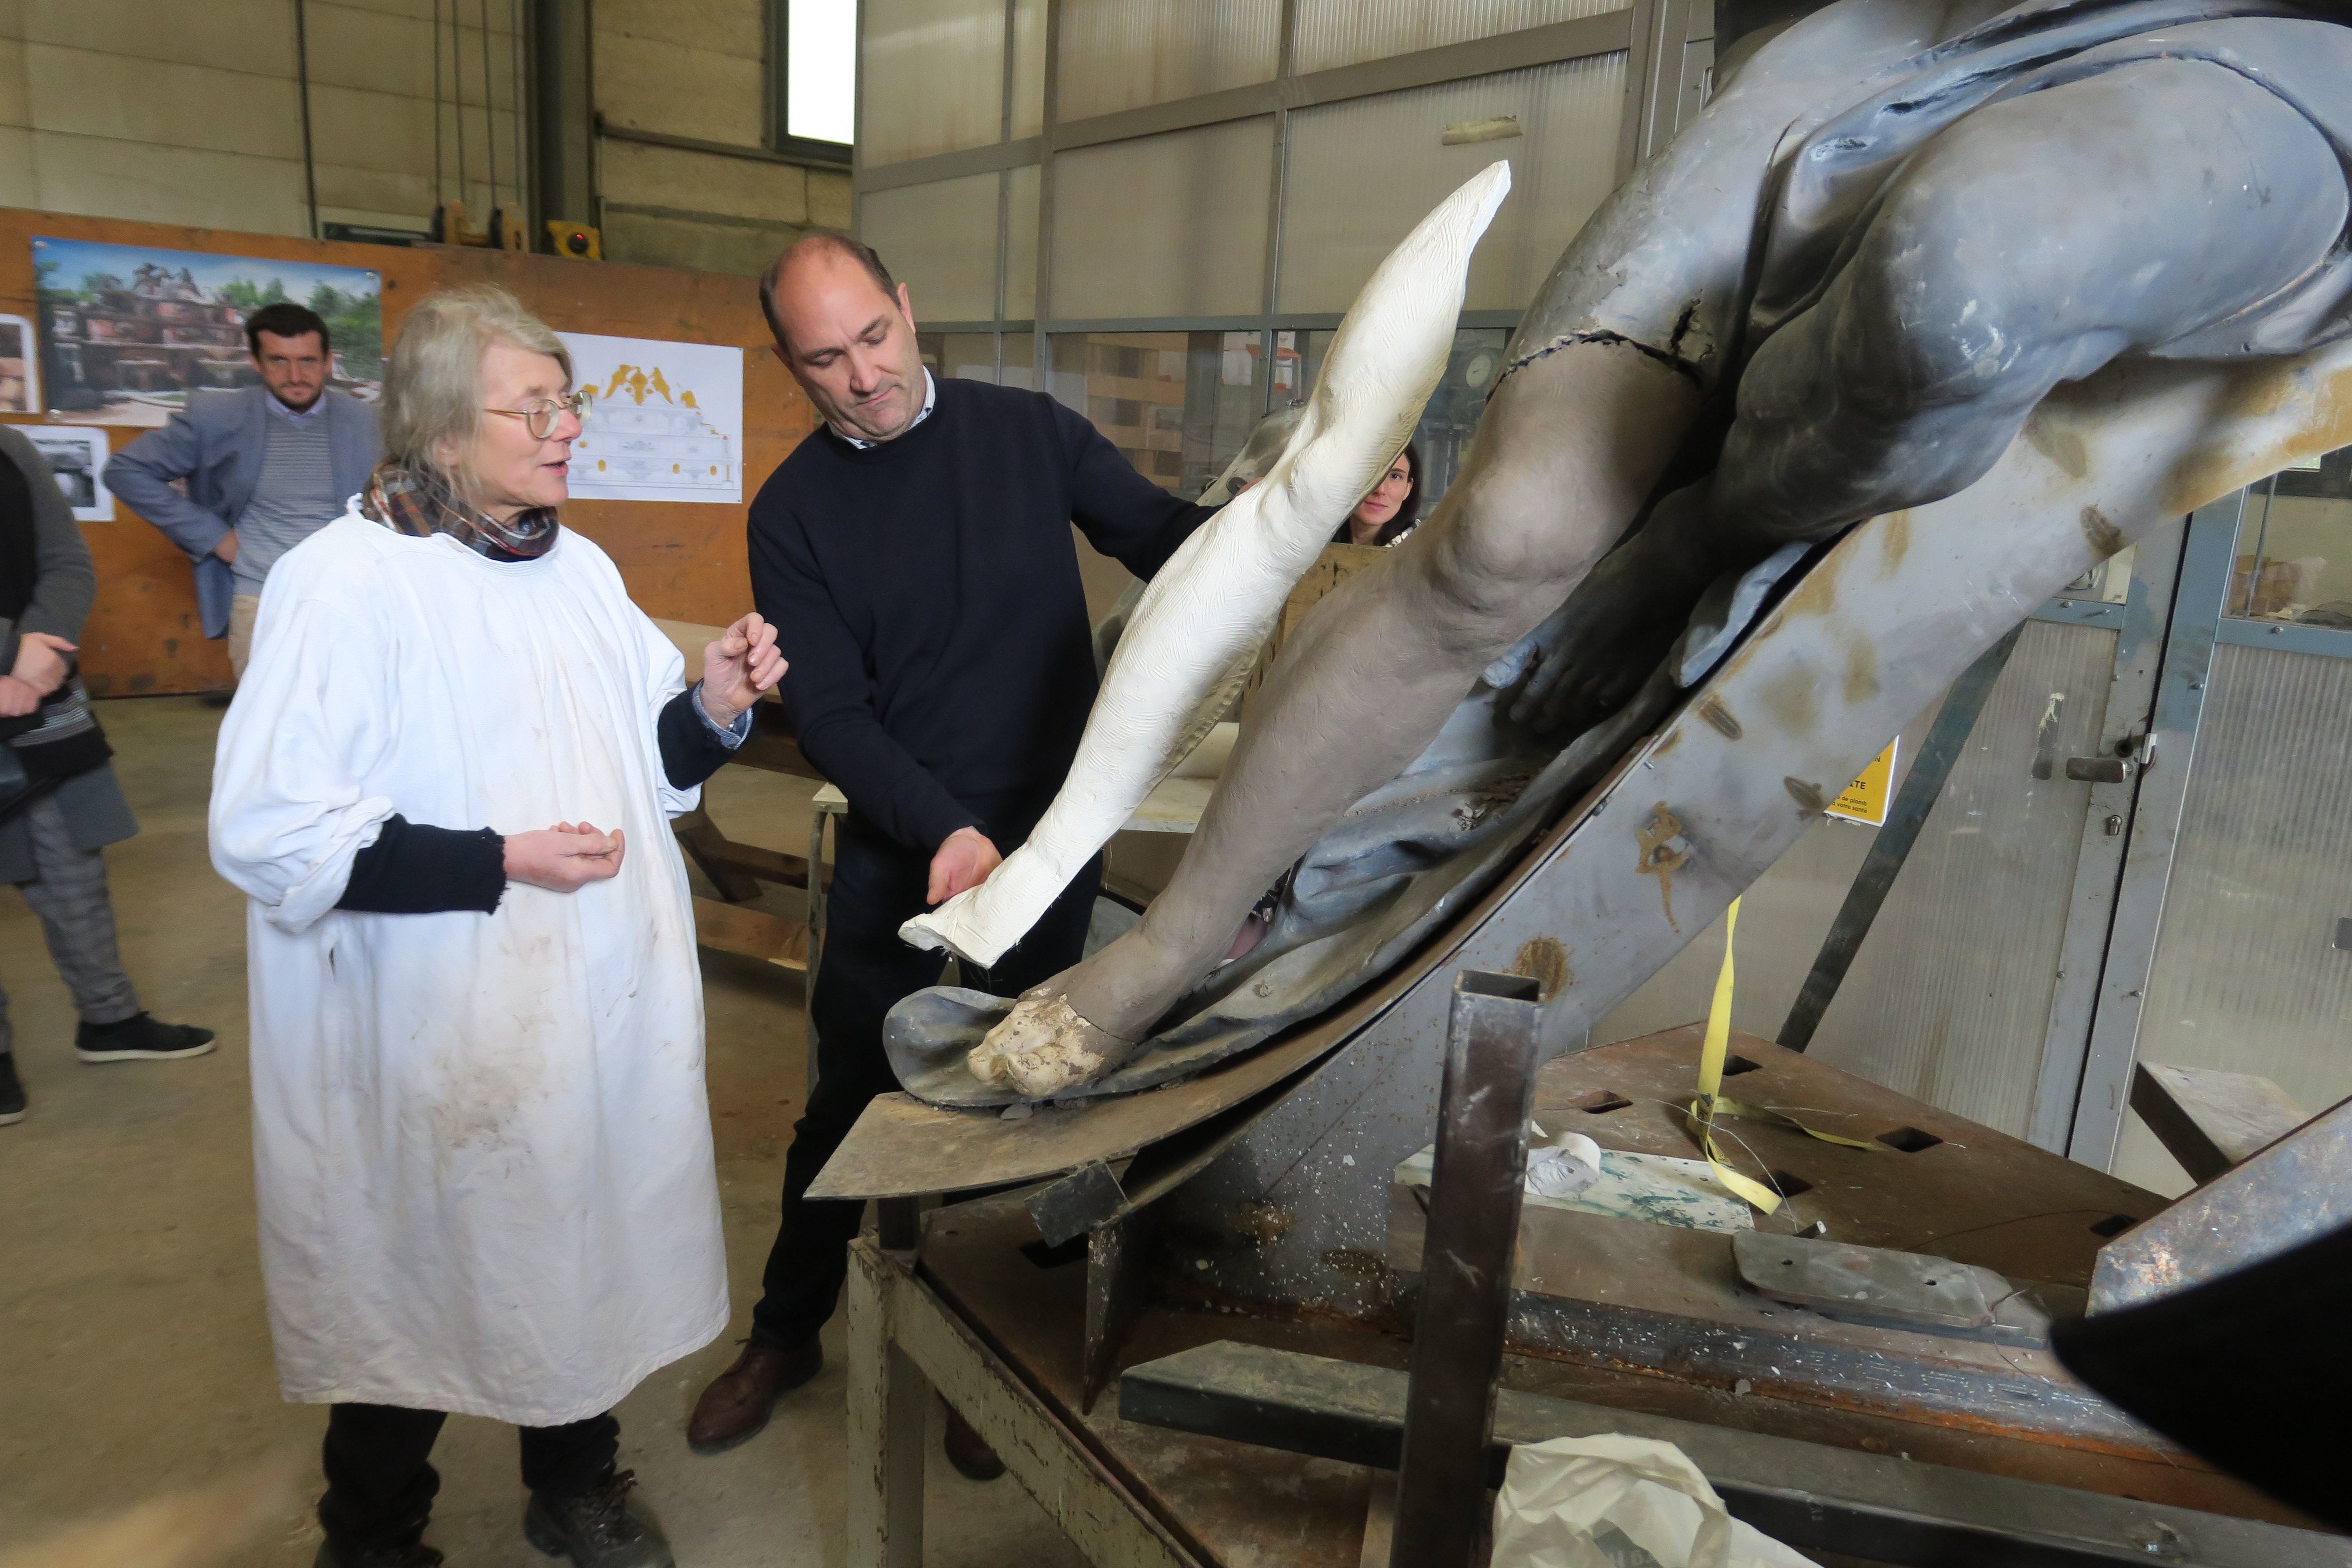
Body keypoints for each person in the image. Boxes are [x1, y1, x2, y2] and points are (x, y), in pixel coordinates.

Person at [209, 284, 784, 1568]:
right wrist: (498, 856)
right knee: (412, 1262)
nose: (570, 426)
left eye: (567, 399)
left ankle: (573, 1482)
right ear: (445, 435)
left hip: (583, 1007)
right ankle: (371, 1531)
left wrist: (717, 699)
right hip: (427, 1015)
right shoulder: (343, 584)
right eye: (538, 407)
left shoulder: (575, 569)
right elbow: (272, 829)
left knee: (567, 1240)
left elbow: (654, 752)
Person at [684, 233, 1215, 1458]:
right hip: (901, 849)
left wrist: (1327, 504)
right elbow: (833, 712)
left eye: (875, 336)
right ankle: (786, 1324)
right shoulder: (796, 510)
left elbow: (1167, 537)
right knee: (850, 1098)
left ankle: (982, 1344)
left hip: (1052, 837)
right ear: (790, 365)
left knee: (1024, 1090)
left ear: (908, 308)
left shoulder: (1028, 434)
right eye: (826, 359)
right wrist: (943, 828)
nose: (864, 375)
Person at [0, 423, 215, 1127]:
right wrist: (10, 651)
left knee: (71, 866)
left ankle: (109, 1020)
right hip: (19, 670)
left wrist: (41, 651)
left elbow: (67, 560)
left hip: (40, 692)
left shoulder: (12, 449)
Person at [109, 302, 380, 679]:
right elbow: (126, 470)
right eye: (278, 361)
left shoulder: (371, 423)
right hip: (260, 596)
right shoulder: (216, 416)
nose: (295, 375)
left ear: (328, 361)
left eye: (308, 361)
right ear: (255, 362)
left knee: (358, 723)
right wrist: (213, 537)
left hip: (350, 597)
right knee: (267, 731)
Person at [1331, 442, 1421, 547]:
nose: (1380, 489)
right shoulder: (1313, 542)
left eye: (1395, 476)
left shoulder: (1424, 552)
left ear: (1408, 489)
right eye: (1369, 472)